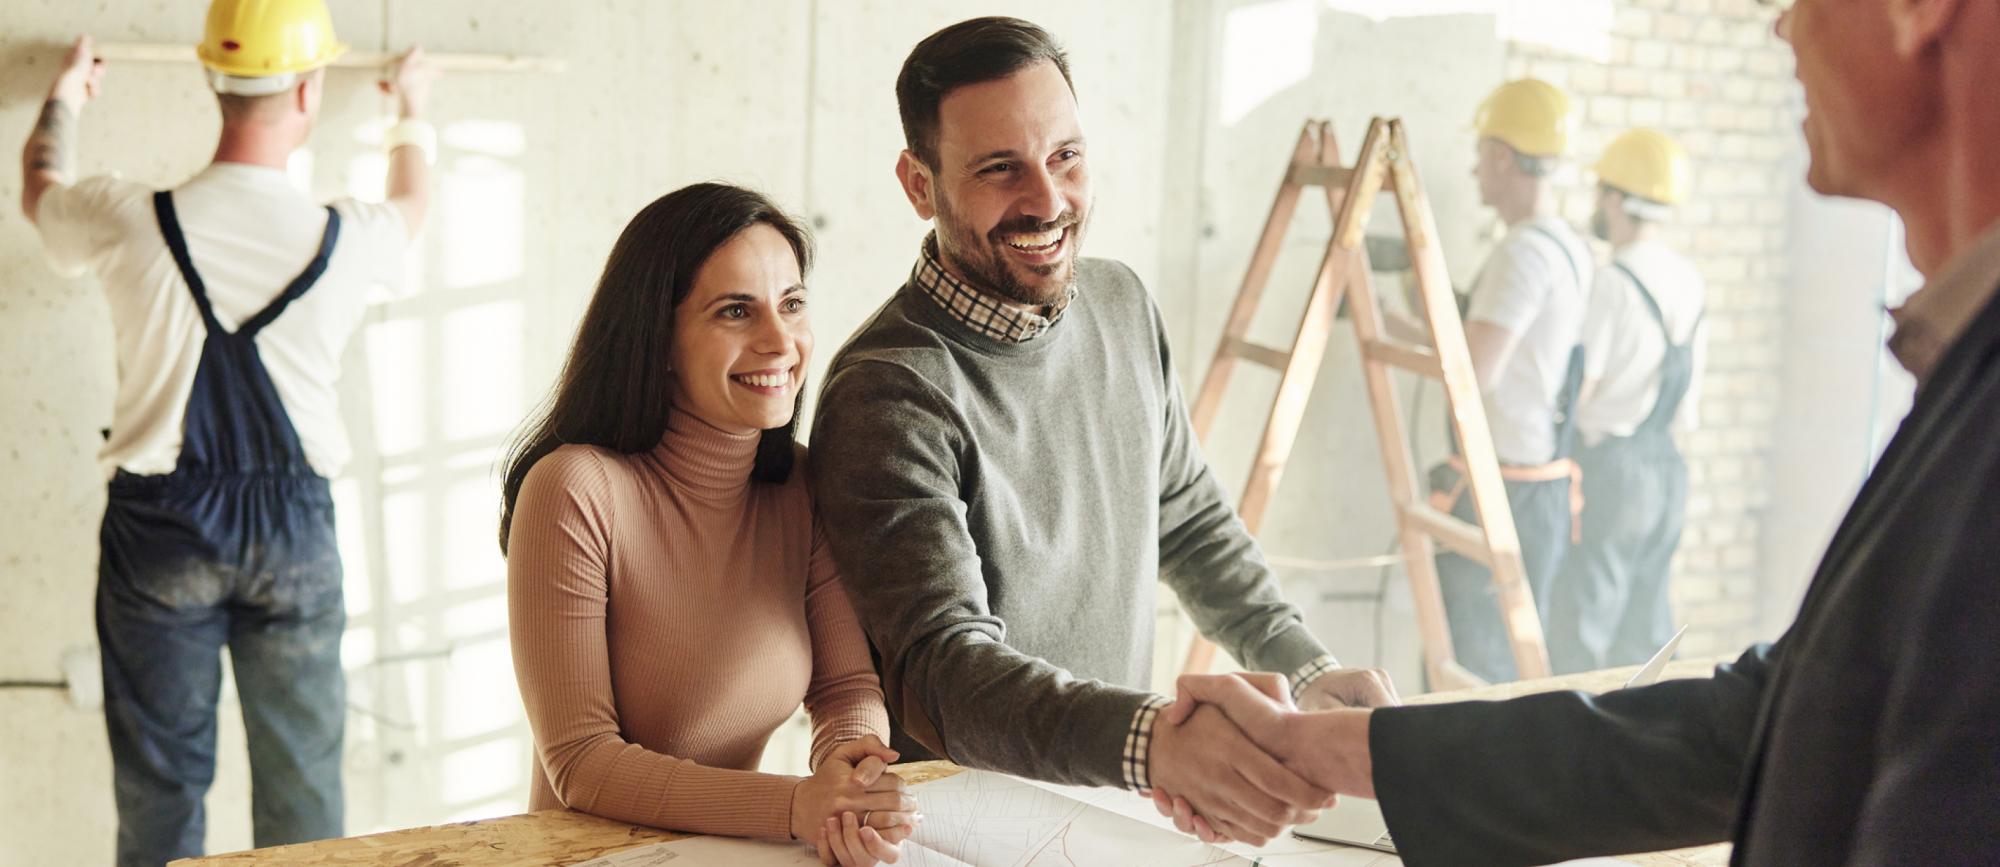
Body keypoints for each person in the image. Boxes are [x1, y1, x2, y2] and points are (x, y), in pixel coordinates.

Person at [1159, 0, 2000, 862]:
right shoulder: (1956, 365)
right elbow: (1761, 725)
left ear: (1918, 12)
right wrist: (1346, 748)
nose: (1783, 29)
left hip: (1541, 475)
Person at [805, 17, 1395, 848]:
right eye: (999, 169)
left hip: (1113, 799)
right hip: (960, 826)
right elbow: (948, 673)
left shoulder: (1121, 304)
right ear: (919, 183)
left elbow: (1188, 521)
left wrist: (1308, 667)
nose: (1047, 201)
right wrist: (1157, 742)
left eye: (1065, 156)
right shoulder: (887, 391)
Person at [20, 2, 433, 861]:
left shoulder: (127, 217)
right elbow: (413, 202)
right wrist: (412, 108)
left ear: (211, 79)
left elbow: (40, 189)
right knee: (306, 792)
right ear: (311, 91)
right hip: (296, 535)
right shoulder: (347, 238)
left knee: (160, 795)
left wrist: (64, 97)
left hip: (159, 532)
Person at [499, 183, 915, 867]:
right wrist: (792, 806)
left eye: (792, 304)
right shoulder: (574, 490)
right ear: (656, 336)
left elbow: (844, 687)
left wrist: (853, 764)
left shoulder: (802, 486)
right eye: (734, 311)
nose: (780, 341)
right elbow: (581, 760)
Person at [1424, 78, 1597, 684]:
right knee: (1504, 666)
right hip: (1539, 481)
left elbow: (1476, 372)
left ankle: (1452, 782)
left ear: (1503, 156)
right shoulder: (1569, 247)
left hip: (1501, 487)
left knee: (1474, 668)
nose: (1473, 171)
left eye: (1480, 155)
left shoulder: (1522, 253)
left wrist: (1420, 340)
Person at [1544, 128, 1707, 674]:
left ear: (1614, 199)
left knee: (1584, 624)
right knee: (1647, 628)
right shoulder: (1688, 279)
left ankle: (1577, 747)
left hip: (1613, 470)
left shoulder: (1613, 280)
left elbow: (1582, 384)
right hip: (1667, 469)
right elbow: (1689, 402)